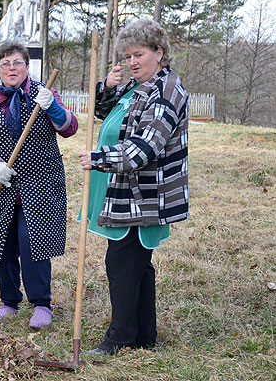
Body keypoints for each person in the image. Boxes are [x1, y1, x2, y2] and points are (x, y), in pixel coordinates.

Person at [78, 19, 189, 355]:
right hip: (126, 191)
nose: (132, 62)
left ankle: (120, 337)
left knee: (123, 262)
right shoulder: (140, 86)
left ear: (159, 52)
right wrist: (111, 87)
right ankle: (143, 335)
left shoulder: (166, 91)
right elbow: (104, 114)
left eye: (138, 54)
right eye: (127, 57)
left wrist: (99, 158)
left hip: (145, 193)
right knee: (138, 264)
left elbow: (146, 148)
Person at [0, 41, 78, 329]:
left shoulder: (44, 93)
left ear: (27, 67)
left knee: (34, 243)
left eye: (17, 62)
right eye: (5, 64)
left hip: (41, 183)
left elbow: (70, 128)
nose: (11, 68)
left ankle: (42, 304)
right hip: (2, 185)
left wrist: (53, 107)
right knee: (3, 244)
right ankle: (9, 302)